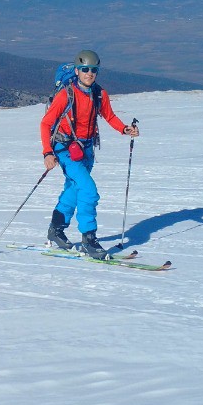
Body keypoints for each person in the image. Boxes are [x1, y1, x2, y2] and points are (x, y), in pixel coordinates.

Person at [40, 49, 138, 259]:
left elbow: (109, 116)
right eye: (85, 69)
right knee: (89, 190)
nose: (89, 73)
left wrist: (124, 129)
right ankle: (89, 238)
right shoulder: (66, 94)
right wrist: (47, 153)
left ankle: (55, 230)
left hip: (86, 150)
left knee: (75, 189)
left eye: (94, 70)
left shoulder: (99, 93)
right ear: (77, 70)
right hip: (65, 148)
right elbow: (46, 123)